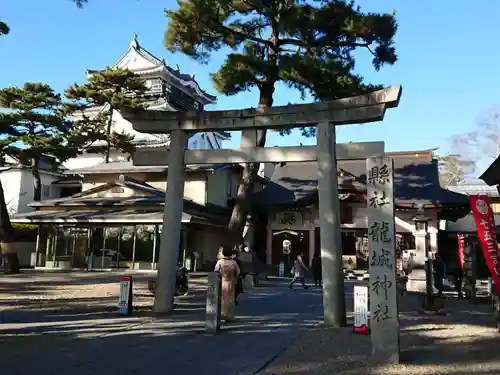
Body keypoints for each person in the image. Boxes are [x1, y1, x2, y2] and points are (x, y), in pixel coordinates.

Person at [214, 245, 241, 322]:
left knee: (224, 299)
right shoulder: (233, 262)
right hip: (232, 282)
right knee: (231, 299)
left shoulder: (220, 261)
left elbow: (216, 271)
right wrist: (235, 279)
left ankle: (224, 315)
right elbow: (238, 271)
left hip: (223, 282)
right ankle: (230, 316)